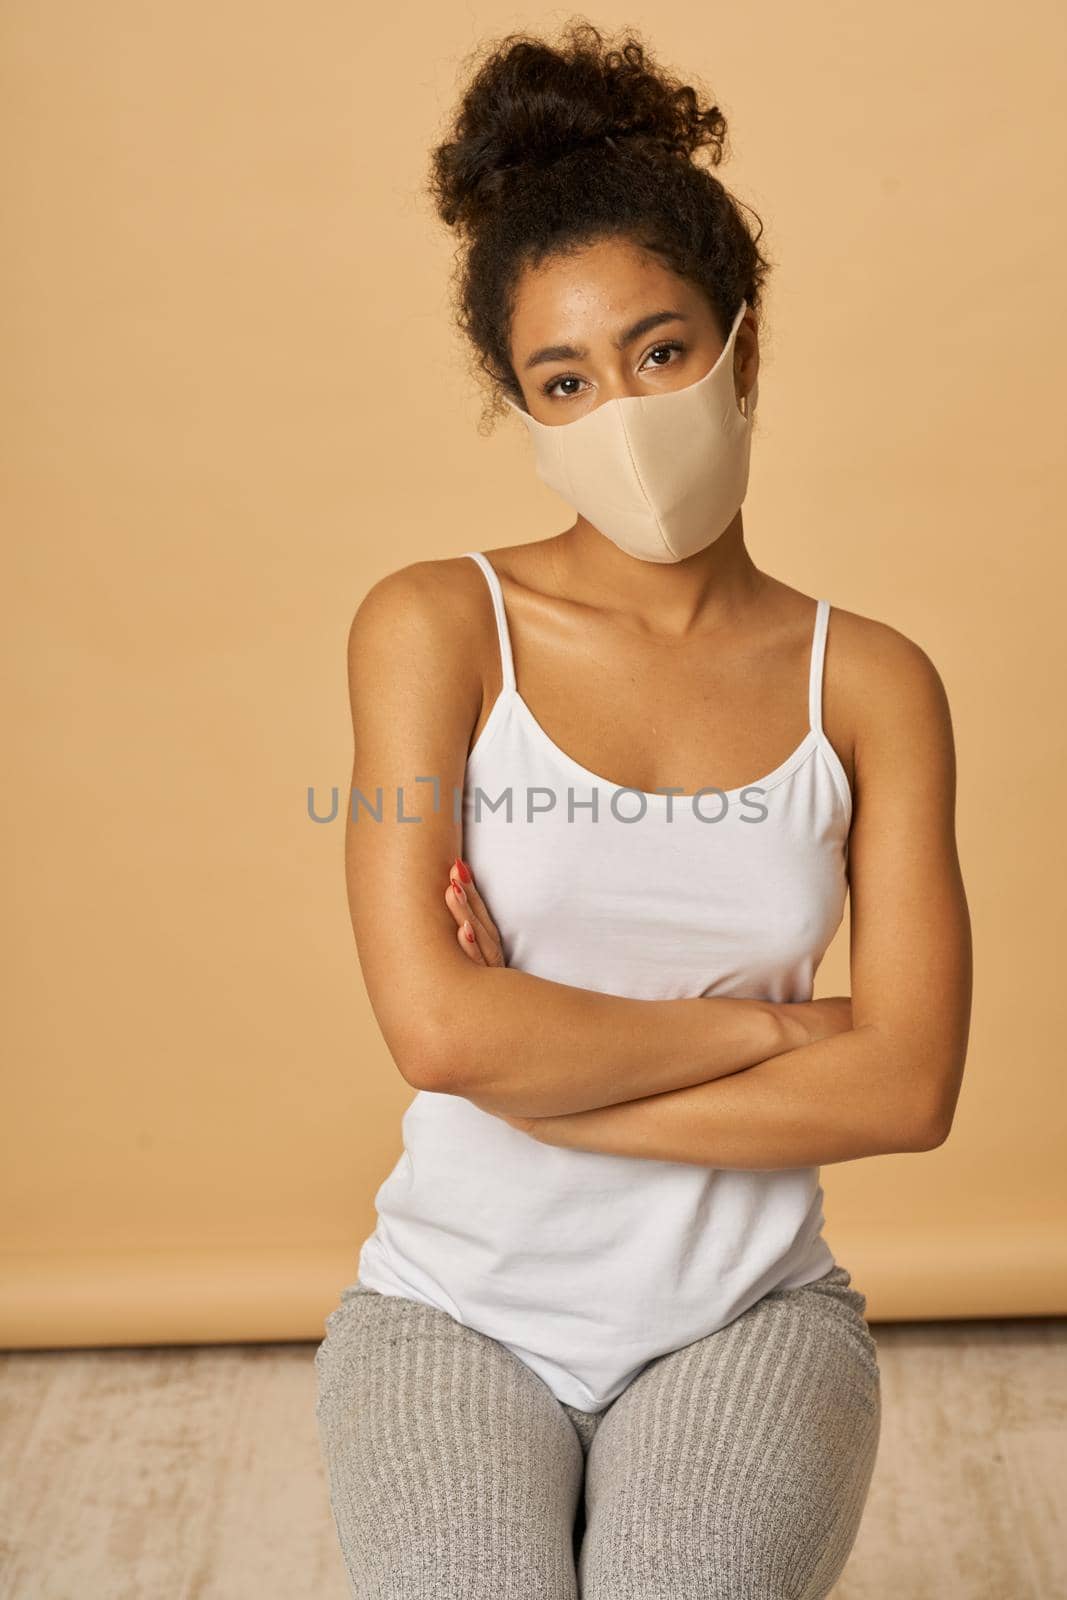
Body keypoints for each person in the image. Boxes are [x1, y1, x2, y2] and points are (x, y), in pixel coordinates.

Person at [314, 19, 973, 1598]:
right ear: (520, 404)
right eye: (565, 377)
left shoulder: (874, 684)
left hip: (744, 1316)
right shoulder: (432, 629)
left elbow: (908, 1093)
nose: (623, 408)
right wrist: (784, 1028)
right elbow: (441, 1042)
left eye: (660, 351)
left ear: (745, 343)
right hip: (451, 1312)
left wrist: (545, 1067)